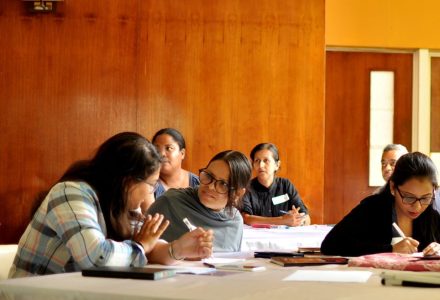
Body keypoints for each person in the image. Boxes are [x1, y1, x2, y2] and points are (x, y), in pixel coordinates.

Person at [9, 132, 213, 278]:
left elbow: (148, 250)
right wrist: (142, 245)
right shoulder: (71, 192)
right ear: (128, 181)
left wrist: (179, 248)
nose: (151, 193)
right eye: (151, 185)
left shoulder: (120, 203)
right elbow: (97, 257)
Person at [321, 152, 440, 257]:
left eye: (425, 198)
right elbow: (330, 245)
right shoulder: (372, 208)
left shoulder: (432, 213)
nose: (417, 207)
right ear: (393, 187)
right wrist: (390, 249)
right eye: (409, 197)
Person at [147, 150, 252, 252]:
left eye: (223, 184)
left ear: (237, 193)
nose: (210, 186)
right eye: (208, 176)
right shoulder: (170, 202)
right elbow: (142, 250)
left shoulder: (235, 220)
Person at [240, 143, 310, 227]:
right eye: (257, 161)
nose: (261, 165)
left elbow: (306, 217)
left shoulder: (286, 185)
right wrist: (282, 220)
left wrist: (299, 220)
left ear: (277, 165)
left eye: (266, 160)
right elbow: (246, 218)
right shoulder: (248, 187)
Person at [152, 128, 200, 199]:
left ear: (182, 153)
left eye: (169, 148)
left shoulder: (198, 184)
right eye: (156, 149)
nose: (161, 154)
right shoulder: (149, 185)